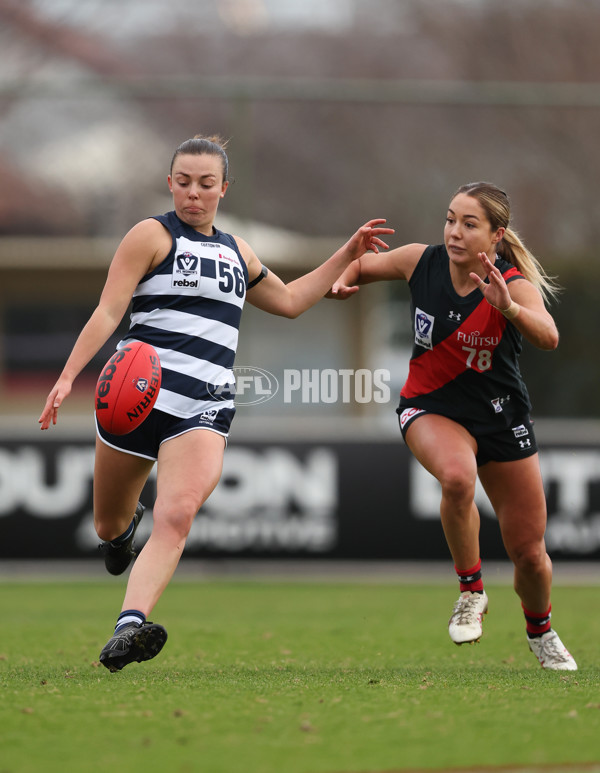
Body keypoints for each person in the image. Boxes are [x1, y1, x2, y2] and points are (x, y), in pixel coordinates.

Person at [39, 134, 393, 672]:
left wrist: (347, 253)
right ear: (170, 184)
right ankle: (119, 535)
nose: (193, 194)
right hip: (134, 397)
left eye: (206, 184)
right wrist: (68, 377)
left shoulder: (236, 251)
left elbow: (293, 300)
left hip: (204, 403)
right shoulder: (151, 236)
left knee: (177, 514)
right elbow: (109, 311)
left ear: (224, 188)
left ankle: (129, 625)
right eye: (183, 182)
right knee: (108, 526)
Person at [331, 181, 577, 671]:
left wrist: (506, 305)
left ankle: (541, 630)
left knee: (530, 555)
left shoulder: (511, 281)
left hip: (501, 418)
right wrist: (343, 278)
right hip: (430, 405)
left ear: (496, 235)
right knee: (458, 478)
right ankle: (471, 591)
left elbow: (549, 336)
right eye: (450, 219)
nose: (454, 231)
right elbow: (360, 264)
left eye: (469, 224)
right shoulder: (420, 261)